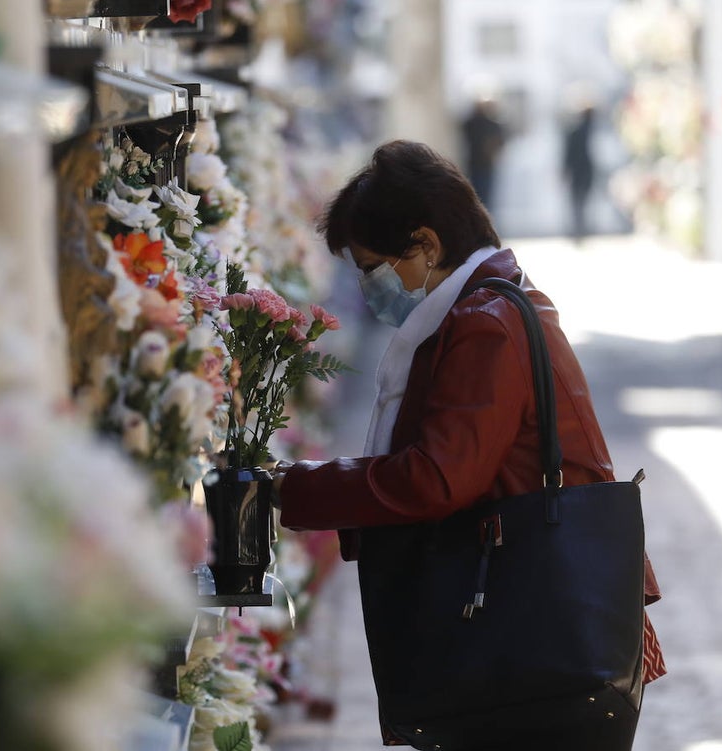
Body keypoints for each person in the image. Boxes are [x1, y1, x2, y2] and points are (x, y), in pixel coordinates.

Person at [272, 140, 665, 750]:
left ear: (426, 245)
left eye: (373, 268)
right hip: (531, 629)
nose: (369, 287)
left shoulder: (485, 322)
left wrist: (293, 487)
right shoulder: (485, 303)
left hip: (532, 632)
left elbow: (438, 477)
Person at [459, 98, 506, 212]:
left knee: (482, 196)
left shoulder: (488, 124)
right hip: (477, 164)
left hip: (483, 165)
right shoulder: (475, 123)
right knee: (479, 196)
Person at [564, 104, 596, 241]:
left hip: (579, 171)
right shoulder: (587, 131)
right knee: (580, 202)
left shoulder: (576, 131)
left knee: (578, 202)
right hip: (584, 171)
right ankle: (580, 230)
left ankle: (580, 230)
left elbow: (568, 154)